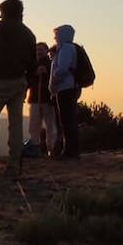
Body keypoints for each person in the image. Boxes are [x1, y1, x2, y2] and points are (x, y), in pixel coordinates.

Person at [0, 0, 36, 177]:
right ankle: (13, 165)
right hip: (20, 81)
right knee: (15, 123)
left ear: (6, 12)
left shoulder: (1, 27)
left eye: (1, 12)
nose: (0, 16)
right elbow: (32, 63)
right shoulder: (29, 34)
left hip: (0, 80)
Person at [50, 25, 82, 159]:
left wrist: (54, 81)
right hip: (69, 87)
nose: (55, 37)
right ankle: (72, 150)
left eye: (57, 34)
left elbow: (62, 68)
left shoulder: (66, 48)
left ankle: (69, 151)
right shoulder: (69, 48)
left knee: (66, 120)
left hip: (65, 88)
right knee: (69, 119)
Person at [26, 42, 59, 156]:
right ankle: (35, 149)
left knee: (50, 126)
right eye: (37, 50)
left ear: (46, 51)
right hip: (35, 100)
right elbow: (27, 81)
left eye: (41, 49)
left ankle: (52, 149)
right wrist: (35, 73)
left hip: (48, 100)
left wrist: (46, 73)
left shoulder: (52, 64)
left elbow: (55, 79)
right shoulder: (32, 65)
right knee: (34, 126)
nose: (39, 52)